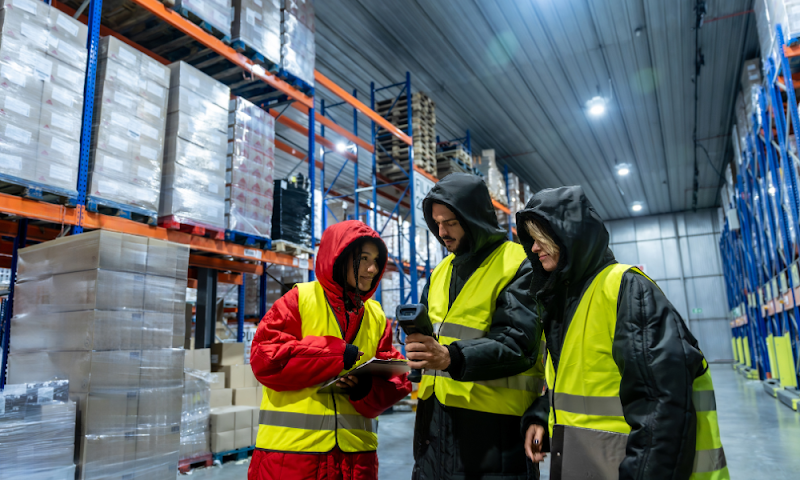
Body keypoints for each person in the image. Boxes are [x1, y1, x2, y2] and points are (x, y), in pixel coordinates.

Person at [517, 186, 729, 480]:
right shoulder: (561, 305)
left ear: (567, 235)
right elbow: (576, 386)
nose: (534, 248)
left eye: (540, 238)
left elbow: (662, 409)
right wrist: (542, 414)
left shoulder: (626, 290)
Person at [406, 173, 545, 480]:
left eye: (451, 222)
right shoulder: (440, 271)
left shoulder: (517, 264)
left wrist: (450, 357)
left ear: (475, 218)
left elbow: (518, 344)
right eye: (436, 223)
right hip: (435, 429)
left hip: (495, 436)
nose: (442, 232)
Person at [249, 220, 412, 480]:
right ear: (340, 258)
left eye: (377, 261)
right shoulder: (299, 300)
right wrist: (334, 354)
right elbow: (265, 359)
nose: (372, 269)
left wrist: (366, 389)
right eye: (364, 259)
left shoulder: (377, 317)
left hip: (356, 461)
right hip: (292, 459)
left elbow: (397, 380)